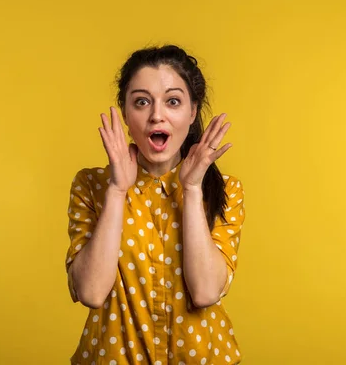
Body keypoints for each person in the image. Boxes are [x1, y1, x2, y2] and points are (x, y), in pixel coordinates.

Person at [65, 45, 245, 364]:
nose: (156, 115)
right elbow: (91, 292)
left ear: (192, 113)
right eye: (141, 102)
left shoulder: (225, 190)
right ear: (124, 112)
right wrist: (118, 190)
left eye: (172, 101)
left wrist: (191, 189)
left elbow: (205, 292)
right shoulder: (91, 186)